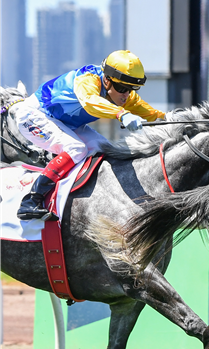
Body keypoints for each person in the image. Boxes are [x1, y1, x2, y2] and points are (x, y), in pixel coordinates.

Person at [15, 50, 165, 221]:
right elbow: (91, 102)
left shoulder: (119, 91)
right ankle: (31, 201)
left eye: (130, 89)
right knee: (76, 148)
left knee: (106, 149)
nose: (126, 94)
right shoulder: (87, 79)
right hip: (35, 115)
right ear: (107, 80)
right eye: (122, 88)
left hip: (66, 124)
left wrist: (168, 118)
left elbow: (147, 111)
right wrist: (121, 114)